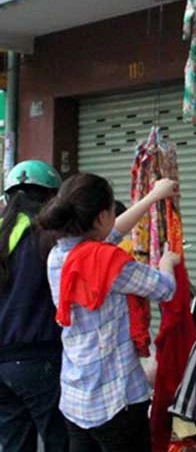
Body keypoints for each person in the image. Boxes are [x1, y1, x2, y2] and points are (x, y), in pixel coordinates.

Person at [40, 173, 181, 452]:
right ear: (101, 217)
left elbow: (111, 232)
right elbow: (164, 289)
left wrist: (152, 197)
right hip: (117, 402)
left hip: (76, 397)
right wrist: (167, 263)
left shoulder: (57, 256)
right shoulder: (108, 262)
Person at [0, 160, 66, 452]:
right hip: (40, 359)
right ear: (51, 198)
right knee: (59, 442)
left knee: (14, 444)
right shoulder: (49, 238)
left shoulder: (3, 235)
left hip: (3, 362)